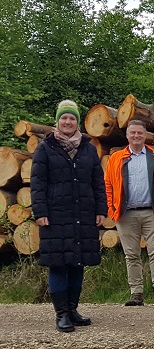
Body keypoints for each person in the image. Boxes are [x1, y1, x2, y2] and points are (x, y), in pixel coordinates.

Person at [31, 100, 107, 332]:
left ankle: (73, 309)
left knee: (78, 263)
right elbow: (37, 183)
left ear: (77, 122)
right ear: (58, 121)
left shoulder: (88, 148)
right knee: (58, 263)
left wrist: (101, 210)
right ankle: (61, 314)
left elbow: (97, 182)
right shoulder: (45, 148)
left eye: (72, 118)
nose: (67, 122)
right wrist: (40, 211)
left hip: (83, 213)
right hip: (56, 214)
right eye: (64, 118)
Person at [104, 119, 154, 306]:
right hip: (125, 214)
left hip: (153, 213)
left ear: (145, 135)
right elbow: (107, 186)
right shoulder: (115, 158)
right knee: (131, 255)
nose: (136, 136)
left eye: (140, 133)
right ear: (127, 135)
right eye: (133, 133)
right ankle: (136, 293)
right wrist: (111, 210)